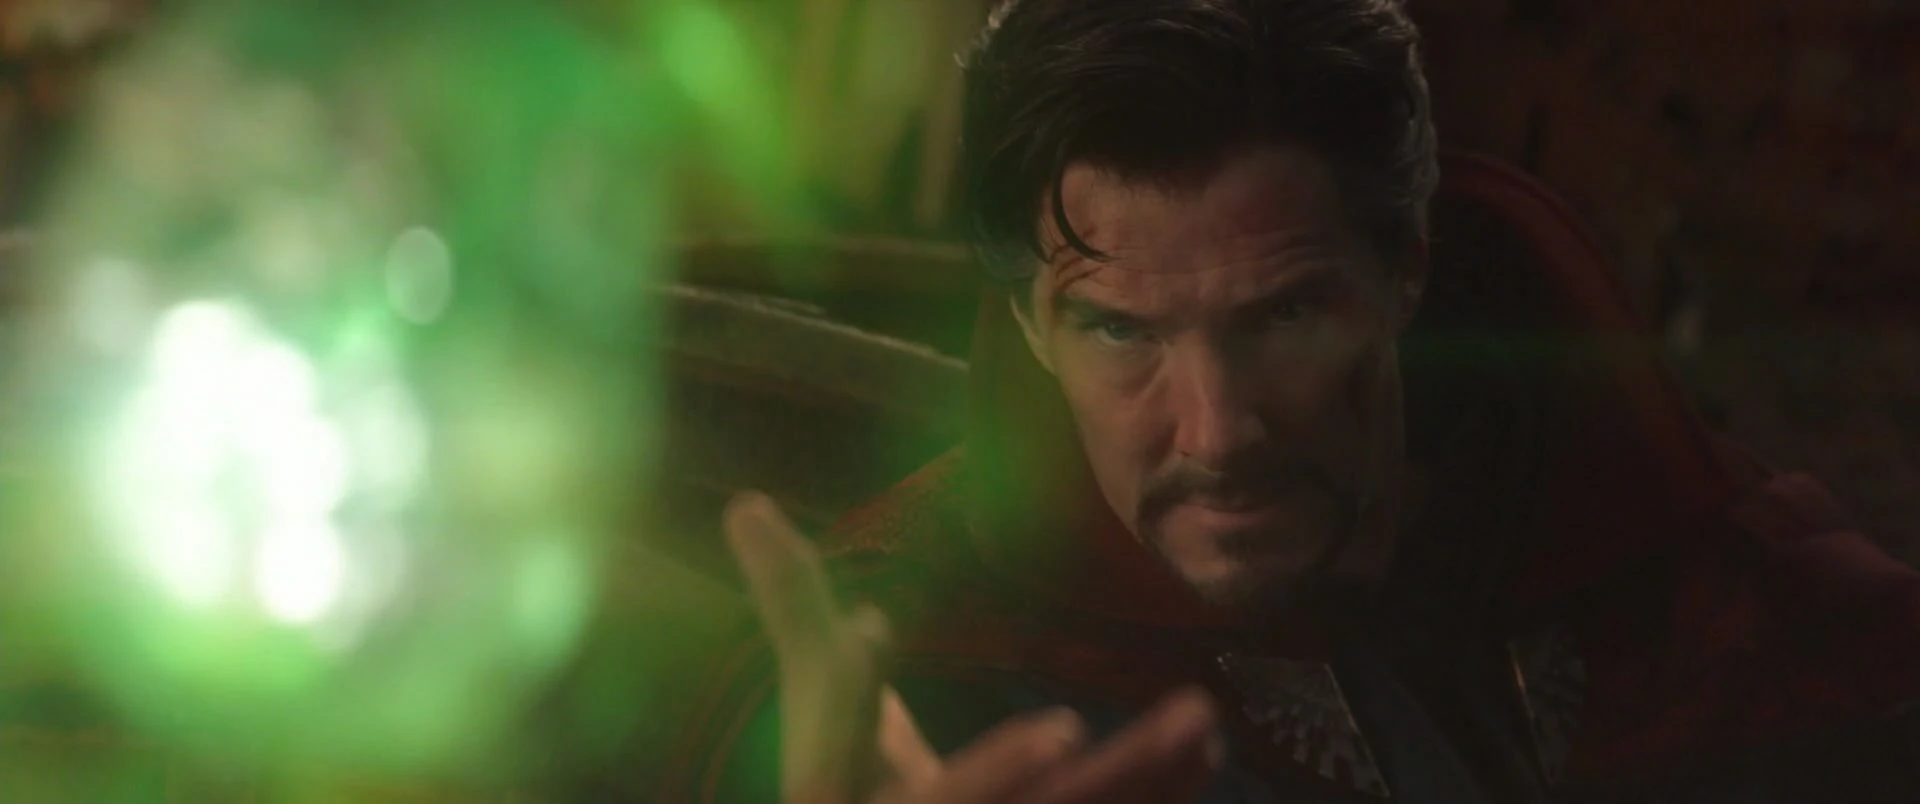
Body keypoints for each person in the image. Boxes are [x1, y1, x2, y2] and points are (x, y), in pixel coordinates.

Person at [656, 1, 1920, 801]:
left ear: (1406, 273)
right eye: (1121, 330)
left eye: (1285, 317)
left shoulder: (1731, 600)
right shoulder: (922, 685)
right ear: (1031, 327)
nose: (1218, 434)